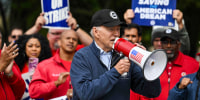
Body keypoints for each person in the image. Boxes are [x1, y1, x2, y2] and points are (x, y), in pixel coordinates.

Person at [70, 9, 161, 100]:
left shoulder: (124, 55)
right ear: (96, 32)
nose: (116, 34)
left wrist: (146, 65)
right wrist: (115, 72)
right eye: (111, 29)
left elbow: (153, 92)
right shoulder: (82, 56)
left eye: (118, 29)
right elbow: (84, 93)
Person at [29, 29, 78, 100]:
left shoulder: (85, 65)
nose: (71, 41)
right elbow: (33, 92)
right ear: (59, 42)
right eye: (68, 38)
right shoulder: (44, 65)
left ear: (77, 44)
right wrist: (56, 83)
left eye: (74, 39)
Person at [152, 28, 199, 100]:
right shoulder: (153, 63)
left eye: (172, 42)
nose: (168, 46)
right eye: (165, 42)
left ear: (179, 44)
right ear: (160, 44)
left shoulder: (192, 64)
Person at [124, 9, 190, 55]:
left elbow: (184, 49)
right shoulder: (147, 56)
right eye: (156, 40)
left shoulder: (172, 56)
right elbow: (131, 48)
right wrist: (128, 23)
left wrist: (180, 24)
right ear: (152, 42)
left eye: (163, 41)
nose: (159, 43)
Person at [25, 12, 93, 56]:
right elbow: (19, 44)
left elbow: (93, 46)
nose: (59, 37)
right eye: (56, 33)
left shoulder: (74, 48)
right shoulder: (40, 50)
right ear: (48, 36)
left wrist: (76, 28)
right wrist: (36, 28)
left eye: (63, 34)